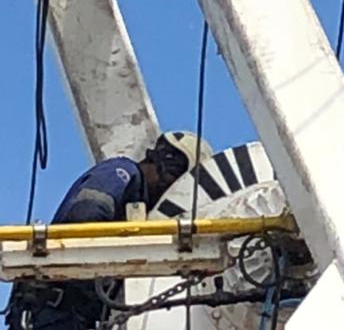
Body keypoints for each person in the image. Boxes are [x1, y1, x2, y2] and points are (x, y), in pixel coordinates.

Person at [6, 132, 213, 330]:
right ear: (170, 167)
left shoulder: (140, 205)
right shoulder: (122, 172)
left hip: (71, 315)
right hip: (53, 311)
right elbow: (85, 217)